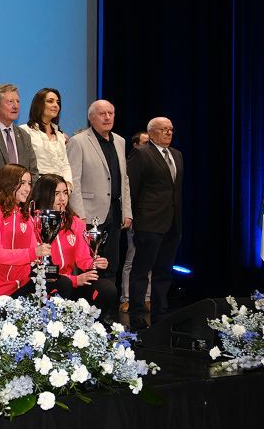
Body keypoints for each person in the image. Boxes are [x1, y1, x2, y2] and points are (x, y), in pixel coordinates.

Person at [0, 164, 72, 305]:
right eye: (22, 183)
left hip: (23, 285)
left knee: (62, 283)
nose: (27, 189)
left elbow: (35, 251)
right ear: (8, 183)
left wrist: (43, 266)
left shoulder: (25, 215)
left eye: (29, 183)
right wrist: (32, 253)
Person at [30, 174, 117, 316]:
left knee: (107, 288)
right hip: (46, 283)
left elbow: (82, 259)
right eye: (56, 194)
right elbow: (37, 268)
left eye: (65, 193)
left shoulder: (75, 222)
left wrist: (94, 263)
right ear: (45, 195)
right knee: (64, 283)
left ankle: (91, 329)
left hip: (70, 283)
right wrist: (75, 280)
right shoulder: (35, 221)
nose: (62, 198)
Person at [66, 99, 133, 282]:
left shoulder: (120, 141)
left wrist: (127, 211)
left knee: (112, 263)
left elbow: (124, 179)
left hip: (115, 212)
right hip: (89, 213)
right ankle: (87, 307)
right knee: (88, 264)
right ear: (91, 118)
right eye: (102, 114)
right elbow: (74, 180)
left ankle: (108, 307)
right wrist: (79, 215)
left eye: (110, 113)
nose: (107, 117)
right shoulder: (78, 142)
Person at [126, 117, 183, 330]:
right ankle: (137, 316)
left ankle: (161, 314)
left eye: (171, 129)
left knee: (164, 272)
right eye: (164, 130)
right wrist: (134, 218)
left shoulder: (177, 155)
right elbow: (132, 188)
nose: (168, 133)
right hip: (149, 223)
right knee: (141, 271)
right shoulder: (142, 153)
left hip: (172, 223)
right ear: (151, 133)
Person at [121, 131, 151, 312]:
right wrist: (129, 214)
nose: (149, 146)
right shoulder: (131, 163)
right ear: (135, 145)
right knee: (131, 259)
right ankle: (126, 298)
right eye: (145, 142)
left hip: (151, 219)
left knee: (149, 260)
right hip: (136, 217)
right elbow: (128, 192)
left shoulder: (155, 161)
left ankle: (146, 298)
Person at [21, 88, 72, 183]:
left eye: (57, 102)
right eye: (50, 101)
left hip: (60, 189)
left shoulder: (60, 134)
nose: (56, 105)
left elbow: (65, 164)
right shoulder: (25, 131)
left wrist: (68, 185)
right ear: (38, 104)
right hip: (37, 187)